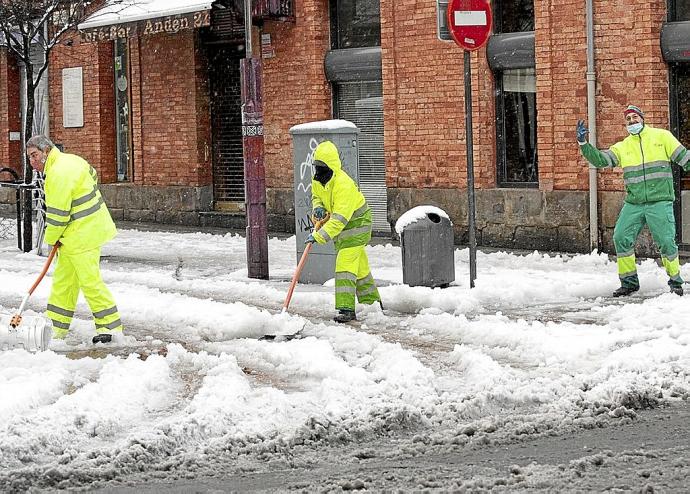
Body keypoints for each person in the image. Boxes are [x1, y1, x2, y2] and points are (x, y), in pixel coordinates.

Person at [577, 105, 689, 297]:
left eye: (634, 117)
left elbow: (685, 158)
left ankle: (675, 282)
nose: (632, 122)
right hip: (634, 203)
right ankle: (629, 283)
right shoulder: (622, 146)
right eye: (628, 120)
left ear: (642, 119)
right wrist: (583, 144)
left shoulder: (662, 137)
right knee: (621, 237)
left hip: (659, 201)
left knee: (666, 242)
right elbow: (601, 160)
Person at [26, 135, 123, 343]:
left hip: (82, 236)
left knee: (90, 282)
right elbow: (93, 177)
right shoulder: (73, 160)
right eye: (29, 158)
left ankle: (110, 329)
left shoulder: (57, 174)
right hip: (77, 235)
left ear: (46, 151)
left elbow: (58, 215)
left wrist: (52, 239)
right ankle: (55, 328)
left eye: (34, 156)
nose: (32, 162)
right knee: (64, 283)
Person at [306, 140, 382, 322]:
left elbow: (339, 220)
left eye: (323, 167)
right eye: (317, 166)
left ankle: (346, 309)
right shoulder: (318, 179)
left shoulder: (344, 185)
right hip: (343, 231)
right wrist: (318, 207)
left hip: (357, 226)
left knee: (345, 265)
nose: (319, 171)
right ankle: (373, 303)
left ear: (332, 166)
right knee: (361, 269)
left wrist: (318, 236)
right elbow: (317, 196)